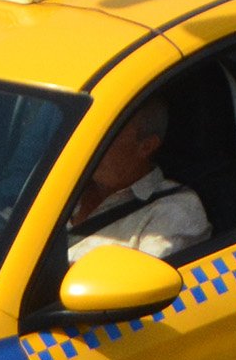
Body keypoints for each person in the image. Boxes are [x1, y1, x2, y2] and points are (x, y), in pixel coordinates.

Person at [64, 97, 209, 263]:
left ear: (146, 146)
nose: (92, 146)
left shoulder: (174, 211)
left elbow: (145, 283)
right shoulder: (59, 185)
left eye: (107, 137)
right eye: (91, 134)